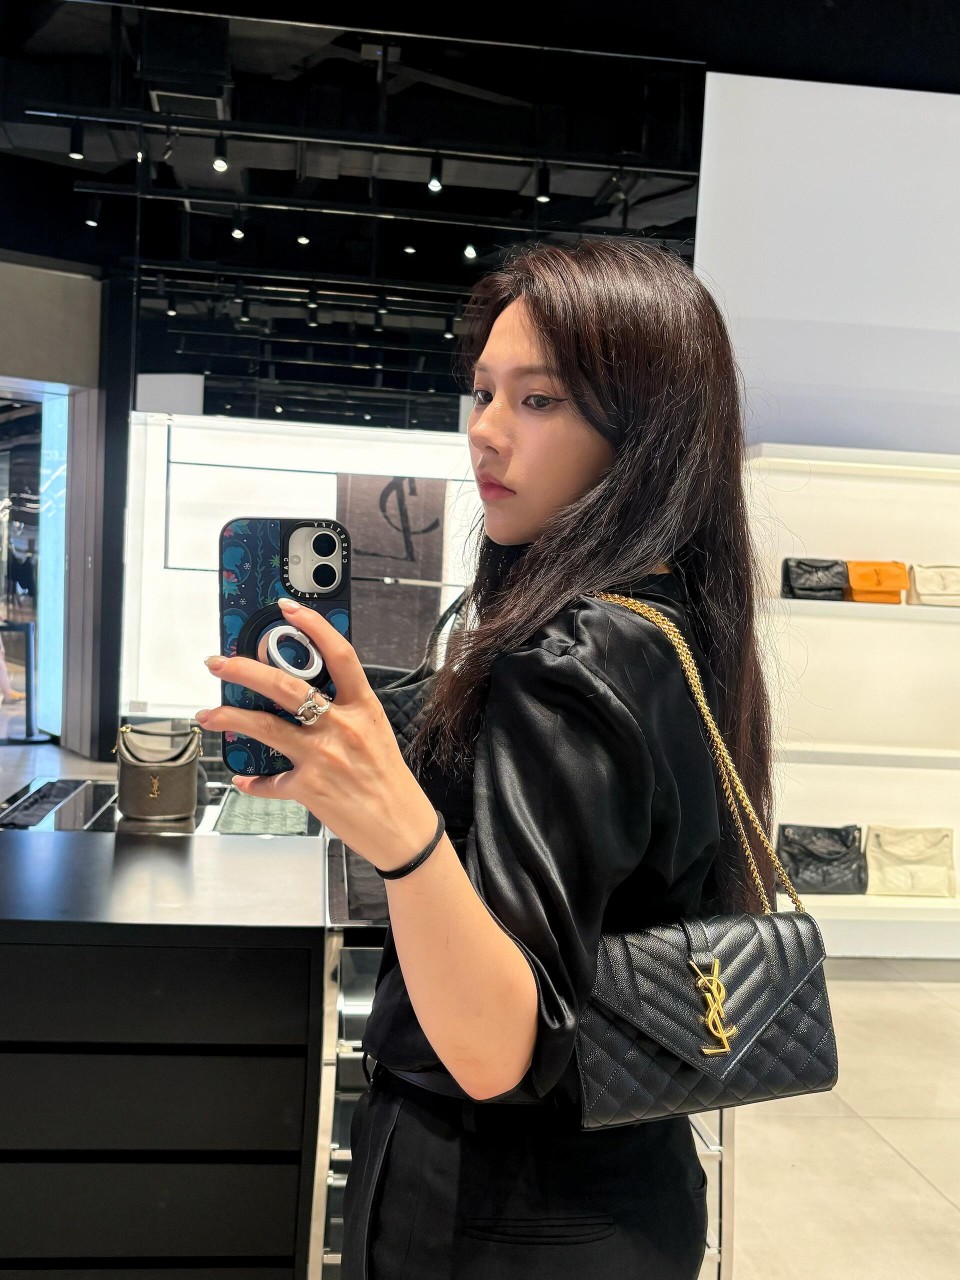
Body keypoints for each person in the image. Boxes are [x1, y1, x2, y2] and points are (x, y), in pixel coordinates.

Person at [194, 238, 774, 1279]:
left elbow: (495, 1048)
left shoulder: (577, 652)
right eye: (483, 393)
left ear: (645, 428)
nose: (485, 431)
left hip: (501, 1211)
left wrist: (400, 833)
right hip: (623, 1181)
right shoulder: (671, 618)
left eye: (538, 400)